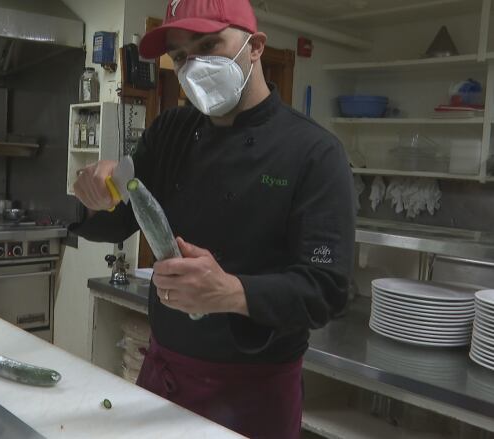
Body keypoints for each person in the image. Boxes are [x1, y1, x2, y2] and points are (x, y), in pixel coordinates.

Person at [70, 0, 354, 437]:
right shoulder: (172, 131)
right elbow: (119, 218)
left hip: (255, 392)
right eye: (182, 57)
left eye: (209, 45)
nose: (194, 66)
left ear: (255, 46)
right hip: (165, 374)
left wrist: (231, 292)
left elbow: (326, 290)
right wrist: (94, 192)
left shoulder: (315, 153)